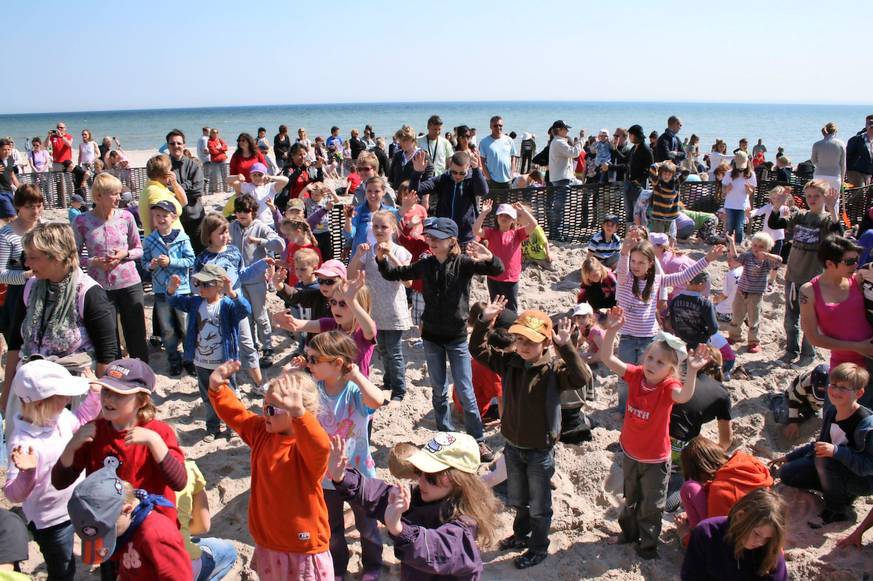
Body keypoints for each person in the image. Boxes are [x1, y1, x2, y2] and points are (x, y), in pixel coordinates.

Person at [473, 298, 591, 568]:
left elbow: (581, 378)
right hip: (513, 446)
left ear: (546, 343)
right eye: (520, 340)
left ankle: (538, 547)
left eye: (531, 341)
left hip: (540, 450)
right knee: (519, 499)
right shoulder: (509, 362)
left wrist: (566, 347)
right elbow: (477, 350)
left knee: (539, 505)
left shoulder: (554, 370)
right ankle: (521, 535)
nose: (524, 346)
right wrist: (483, 322)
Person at [376, 218, 504, 461]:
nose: (431, 241)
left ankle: (478, 440)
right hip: (431, 337)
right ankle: (446, 435)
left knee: (465, 390)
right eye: (429, 237)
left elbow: (497, 270)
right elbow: (396, 274)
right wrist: (381, 259)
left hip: (457, 338)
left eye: (436, 238)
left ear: (452, 240)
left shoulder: (464, 263)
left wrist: (489, 257)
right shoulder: (426, 264)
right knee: (439, 389)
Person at [51, 357, 187, 581]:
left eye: (120, 394)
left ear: (142, 400)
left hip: (146, 530)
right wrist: (72, 446)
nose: (108, 399)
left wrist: (154, 443)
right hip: (105, 526)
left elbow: (179, 482)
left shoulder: (157, 433)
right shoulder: (93, 431)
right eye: (106, 391)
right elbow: (59, 481)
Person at [600, 306, 712, 559]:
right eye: (650, 358)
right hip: (630, 452)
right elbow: (607, 358)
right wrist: (612, 331)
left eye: (660, 362)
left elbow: (683, 396)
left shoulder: (668, 386)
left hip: (655, 459)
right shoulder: (637, 376)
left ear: (671, 370)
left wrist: (693, 371)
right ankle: (628, 534)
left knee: (652, 505)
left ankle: (647, 546)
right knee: (630, 498)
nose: (651, 364)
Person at [208, 362, 333, 580]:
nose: (264, 413)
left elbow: (320, 446)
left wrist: (300, 415)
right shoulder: (262, 432)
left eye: (272, 409)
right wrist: (217, 389)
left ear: (296, 412)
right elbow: (237, 415)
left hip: (302, 547)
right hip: (268, 542)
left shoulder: (305, 449)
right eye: (264, 405)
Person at [327, 431, 499, 579]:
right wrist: (342, 477)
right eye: (419, 472)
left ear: (458, 481)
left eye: (431, 477)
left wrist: (399, 529)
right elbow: (378, 493)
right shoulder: (418, 497)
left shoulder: (466, 525)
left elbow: (436, 550)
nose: (421, 481)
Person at [3, 223, 119, 425]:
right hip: (30, 391)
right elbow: (15, 342)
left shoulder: (88, 293)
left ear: (56, 256)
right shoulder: (30, 287)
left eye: (33, 257)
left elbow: (107, 354)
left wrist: (101, 407)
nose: (27, 263)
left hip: (71, 397)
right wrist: (6, 392)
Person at [4, 360, 101, 581]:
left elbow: (80, 421)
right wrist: (28, 472)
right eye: (63, 395)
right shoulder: (22, 443)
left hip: (78, 501)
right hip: (51, 520)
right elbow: (13, 495)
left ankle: (94, 560)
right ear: (41, 403)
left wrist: (94, 396)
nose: (69, 399)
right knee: (63, 569)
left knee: (93, 538)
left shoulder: (59, 417)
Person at [303, 331, 384, 580]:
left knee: (367, 526)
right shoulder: (313, 391)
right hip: (325, 476)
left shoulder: (354, 391)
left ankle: (373, 566)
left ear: (337, 363)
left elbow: (378, 400)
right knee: (332, 529)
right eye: (307, 358)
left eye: (314, 359)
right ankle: (338, 567)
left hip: (359, 473)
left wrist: (357, 374)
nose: (308, 364)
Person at [614, 229, 725, 411]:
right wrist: (625, 251)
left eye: (641, 262)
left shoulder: (657, 280)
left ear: (651, 264)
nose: (636, 265)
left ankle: (643, 406)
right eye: (633, 261)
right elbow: (622, 268)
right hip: (627, 337)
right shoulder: (625, 280)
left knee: (648, 377)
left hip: (648, 338)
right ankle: (623, 409)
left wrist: (707, 259)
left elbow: (683, 276)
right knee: (624, 377)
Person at [772, 362, 873, 526]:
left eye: (843, 388)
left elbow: (868, 467)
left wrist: (836, 452)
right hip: (831, 466)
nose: (835, 391)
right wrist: (790, 457)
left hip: (861, 480)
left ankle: (837, 510)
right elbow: (820, 444)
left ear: (859, 393)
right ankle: (836, 490)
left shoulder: (866, 425)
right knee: (787, 473)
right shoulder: (833, 411)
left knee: (824, 460)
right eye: (833, 385)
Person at [168, 264, 250, 442]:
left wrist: (232, 292)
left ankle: (232, 426)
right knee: (207, 397)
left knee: (229, 395)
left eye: (206, 284)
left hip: (224, 363)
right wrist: (172, 290)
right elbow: (176, 301)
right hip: (201, 361)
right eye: (198, 283)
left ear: (219, 285)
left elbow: (245, 310)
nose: (201, 288)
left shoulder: (227, 304)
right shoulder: (196, 302)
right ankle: (212, 428)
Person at [67, 465, 192, 580]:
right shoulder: (127, 527)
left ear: (127, 510)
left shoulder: (156, 536)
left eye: (109, 533)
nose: (107, 539)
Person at [74, 173, 148, 363]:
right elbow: (73, 257)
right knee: (108, 335)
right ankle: (114, 373)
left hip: (129, 282)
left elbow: (139, 249)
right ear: (98, 196)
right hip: (99, 286)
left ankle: (141, 371)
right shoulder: (81, 221)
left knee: (136, 333)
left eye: (119, 193)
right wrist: (93, 261)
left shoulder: (126, 217)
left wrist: (124, 254)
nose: (119, 197)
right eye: (114, 194)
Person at [767, 180, 842, 365]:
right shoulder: (800, 216)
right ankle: (790, 351)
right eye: (808, 196)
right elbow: (775, 224)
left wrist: (833, 210)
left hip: (814, 280)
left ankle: (807, 355)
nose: (812, 199)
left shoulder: (826, 220)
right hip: (793, 275)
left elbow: (839, 235)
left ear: (825, 197)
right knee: (790, 318)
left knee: (810, 319)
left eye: (816, 196)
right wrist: (776, 206)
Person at [194, 214, 269, 393]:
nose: (225, 236)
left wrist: (261, 265)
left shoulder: (234, 252)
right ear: (209, 235)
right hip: (217, 309)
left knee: (247, 344)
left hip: (236, 304)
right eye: (220, 233)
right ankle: (230, 387)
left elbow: (242, 275)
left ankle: (259, 384)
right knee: (224, 347)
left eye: (226, 232)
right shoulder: (202, 259)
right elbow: (197, 286)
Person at [799, 235, 873, 405]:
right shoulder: (809, 291)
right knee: (837, 415)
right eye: (850, 262)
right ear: (830, 264)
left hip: (870, 360)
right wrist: (857, 347)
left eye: (857, 260)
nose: (856, 265)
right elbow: (813, 338)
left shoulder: (858, 280)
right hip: (843, 366)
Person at [348, 211, 412, 401]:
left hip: (393, 309)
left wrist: (389, 255)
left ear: (393, 229)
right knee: (382, 350)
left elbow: (408, 281)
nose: (379, 230)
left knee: (394, 352)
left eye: (384, 226)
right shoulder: (368, 250)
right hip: (373, 311)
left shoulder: (400, 251)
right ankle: (388, 382)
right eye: (375, 226)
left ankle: (399, 391)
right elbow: (350, 275)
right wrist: (357, 255)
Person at [681, 488, 788, 581]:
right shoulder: (706, 533)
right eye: (757, 534)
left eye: (767, 538)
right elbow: (691, 576)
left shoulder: (770, 548)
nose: (760, 542)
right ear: (740, 516)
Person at [229, 194, 285, 368]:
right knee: (246, 315)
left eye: (245, 211)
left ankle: (267, 347)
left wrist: (260, 241)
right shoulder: (232, 227)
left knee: (260, 314)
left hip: (256, 280)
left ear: (253, 211)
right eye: (238, 211)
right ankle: (252, 345)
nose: (241, 214)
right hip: (238, 281)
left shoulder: (260, 227)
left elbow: (280, 244)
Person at [142, 200, 196, 376]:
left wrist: (171, 261)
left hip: (181, 290)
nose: (160, 219)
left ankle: (190, 359)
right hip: (160, 290)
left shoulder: (182, 238)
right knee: (167, 328)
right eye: (157, 215)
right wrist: (151, 265)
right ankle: (173, 359)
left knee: (185, 326)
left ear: (173, 217)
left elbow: (191, 260)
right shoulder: (150, 240)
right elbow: (144, 263)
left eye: (164, 215)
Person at [678, 436, 772, 534]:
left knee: (689, 487)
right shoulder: (745, 458)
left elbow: (713, 533)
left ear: (698, 470)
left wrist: (685, 535)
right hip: (765, 525)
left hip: (744, 536)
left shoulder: (719, 490)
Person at [0, 184, 44, 372]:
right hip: (19, 297)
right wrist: (25, 275)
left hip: (47, 292)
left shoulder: (46, 227)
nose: (36, 211)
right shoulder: (6, 234)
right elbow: (1, 273)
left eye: (39, 205)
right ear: (18, 206)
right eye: (29, 207)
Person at [176, 460, 238, 580]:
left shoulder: (134, 489)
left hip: (139, 566)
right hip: (178, 566)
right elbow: (203, 526)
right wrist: (180, 528)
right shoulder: (188, 468)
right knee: (229, 552)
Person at [410, 150, 487, 246]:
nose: (457, 176)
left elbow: (483, 191)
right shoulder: (443, 179)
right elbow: (415, 190)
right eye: (454, 172)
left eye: (462, 173)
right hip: (444, 235)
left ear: (468, 167)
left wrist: (476, 170)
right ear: (450, 165)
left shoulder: (471, 180)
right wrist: (417, 172)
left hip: (465, 237)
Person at [472, 201, 537, 312]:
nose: (504, 217)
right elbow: (475, 230)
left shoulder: (517, 233)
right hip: (493, 276)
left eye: (507, 215)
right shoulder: (491, 232)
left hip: (510, 278)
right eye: (501, 215)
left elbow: (534, 224)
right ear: (497, 218)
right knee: (495, 307)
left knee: (510, 309)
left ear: (513, 219)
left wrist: (523, 211)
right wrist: (483, 213)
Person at [726, 232, 782, 353]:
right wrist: (732, 242)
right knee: (737, 315)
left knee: (753, 319)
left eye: (761, 247)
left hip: (756, 294)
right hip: (741, 291)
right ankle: (734, 336)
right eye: (755, 245)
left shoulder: (767, 261)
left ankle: (753, 341)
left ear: (767, 249)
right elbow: (735, 259)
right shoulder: (747, 256)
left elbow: (779, 261)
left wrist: (767, 255)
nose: (757, 249)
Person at [671, 353, 733, 452]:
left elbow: (685, 415)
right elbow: (726, 442)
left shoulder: (676, 377)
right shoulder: (721, 392)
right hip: (676, 443)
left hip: (651, 430)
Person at [165, 129, 207, 255]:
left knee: (200, 254)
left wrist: (175, 187)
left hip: (196, 218)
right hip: (174, 220)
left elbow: (198, 190)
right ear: (168, 146)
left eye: (179, 143)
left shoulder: (194, 165)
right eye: (172, 143)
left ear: (184, 145)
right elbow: (164, 191)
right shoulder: (164, 167)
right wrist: (188, 184)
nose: (176, 146)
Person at [547, 120, 584, 240]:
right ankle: (556, 234)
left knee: (559, 208)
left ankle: (556, 233)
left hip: (560, 178)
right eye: (566, 129)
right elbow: (575, 153)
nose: (567, 131)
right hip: (562, 179)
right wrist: (582, 139)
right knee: (559, 208)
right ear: (560, 130)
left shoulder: (556, 142)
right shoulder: (558, 142)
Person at [139, 154, 186, 237]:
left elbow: (183, 202)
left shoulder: (158, 188)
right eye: (170, 170)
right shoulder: (155, 192)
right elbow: (156, 225)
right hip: (167, 243)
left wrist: (175, 183)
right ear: (166, 173)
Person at [669, 272, 718, 349]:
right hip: (699, 343)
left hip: (680, 341)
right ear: (700, 285)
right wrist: (705, 335)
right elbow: (714, 328)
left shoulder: (675, 300)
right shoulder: (705, 304)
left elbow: (672, 321)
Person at [721, 152, 757, 245]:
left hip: (742, 205)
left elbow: (751, 191)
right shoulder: (729, 173)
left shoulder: (751, 174)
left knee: (739, 227)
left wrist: (749, 190)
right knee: (729, 226)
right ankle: (728, 244)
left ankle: (738, 245)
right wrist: (727, 189)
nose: (741, 168)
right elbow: (723, 190)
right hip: (730, 204)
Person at [388, 125, 433, 193]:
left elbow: (428, 180)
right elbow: (391, 178)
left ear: (412, 140)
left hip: (415, 195)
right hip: (398, 195)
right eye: (400, 140)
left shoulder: (423, 155)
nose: (401, 143)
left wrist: (425, 196)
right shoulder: (398, 155)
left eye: (404, 140)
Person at [479, 115, 517, 193]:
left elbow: (513, 157)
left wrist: (512, 174)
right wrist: (489, 178)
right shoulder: (484, 142)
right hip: (492, 181)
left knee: (507, 201)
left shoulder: (509, 140)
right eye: (495, 126)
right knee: (492, 201)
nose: (498, 127)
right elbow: (482, 162)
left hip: (508, 180)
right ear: (490, 126)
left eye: (500, 125)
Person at [625, 125, 654, 226]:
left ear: (636, 136)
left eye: (631, 135)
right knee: (629, 212)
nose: (629, 137)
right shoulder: (634, 148)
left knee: (638, 212)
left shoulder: (646, 150)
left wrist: (639, 180)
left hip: (638, 185)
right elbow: (626, 161)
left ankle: (639, 233)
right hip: (629, 183)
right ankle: (630, 232)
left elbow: (650, 169)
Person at [811, 122, 847, 196]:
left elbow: (813, 161)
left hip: (819, 175)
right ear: (835, 132)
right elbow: (843, 164)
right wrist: (842, 179)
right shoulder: (841, 144)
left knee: (819, 199)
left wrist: (820, 164)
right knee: (834, 200)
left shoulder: (817, 144)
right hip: (835, 176)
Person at [48, 123, 73, 206]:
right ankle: (60, 200)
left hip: (66, 162)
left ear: (65, 128)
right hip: (56, 162)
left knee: (68, 181)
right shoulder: (53, 137)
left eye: (61, 127)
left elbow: (69, 144)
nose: (60, 129)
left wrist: (62, 137)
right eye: (58, 127)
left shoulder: (68, 136)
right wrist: (48, 136)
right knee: (58, 182)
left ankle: (71, 199)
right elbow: (45, 145)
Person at [846, 114, 873, 187]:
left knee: (865, 192)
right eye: (869, 123)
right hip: (855, 172)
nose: (871, 125)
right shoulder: (856, 139)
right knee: (860, 191)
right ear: (866, 125)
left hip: (868, 173)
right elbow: (847, 155)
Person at [0, 138, 20, 221]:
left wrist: (20, 188)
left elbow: (12, 175)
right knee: (13, 216)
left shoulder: (10, 159)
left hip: (9, 191)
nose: (7, 152)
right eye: (4, 149)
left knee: (5, 219)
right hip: (1, 193)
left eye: (8, 149)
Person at [206, 129, 229, 194]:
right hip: (215, 162)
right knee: (215, 177)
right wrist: (222, 150)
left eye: (216, 132)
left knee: (225, 176)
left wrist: (220, 148)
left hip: (223, 160)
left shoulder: (219, 140)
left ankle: (226, 190)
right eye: (213, 132)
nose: (215, 134)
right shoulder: (209, 141)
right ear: (211, 134)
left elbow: (226, 147)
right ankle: (216, 191)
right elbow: (213, 151)